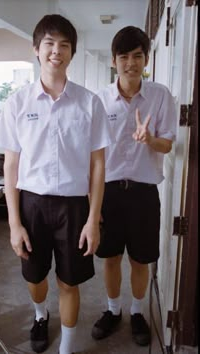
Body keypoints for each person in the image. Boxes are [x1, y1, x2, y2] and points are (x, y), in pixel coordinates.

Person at [0, 14, 112, 354]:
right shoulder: (18, 102)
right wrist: (14, 223)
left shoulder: (90, 103)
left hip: (74, 206)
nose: (56, 51)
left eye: (64, 45)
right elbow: (11, 166)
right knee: (35, 277)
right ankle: (41, 315)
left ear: (72, 52)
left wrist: (92, 218)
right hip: (32, 204)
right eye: (49, 43)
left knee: (69, 281)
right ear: (36, 49)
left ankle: (68, 348)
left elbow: (98, 165)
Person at [91, 26, 177, 346]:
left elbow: (167, 146)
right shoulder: (99, 100)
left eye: (137, 56)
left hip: (143, 192)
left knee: (141, 259)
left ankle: (137, 311)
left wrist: (149, 138)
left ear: (146, 59)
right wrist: (92, 203)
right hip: (109, 191)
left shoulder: (160, 96)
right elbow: (92, 154)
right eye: (124, 57)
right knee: (110, 256)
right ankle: (113, 310)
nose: (131, 63)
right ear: (114, 61)